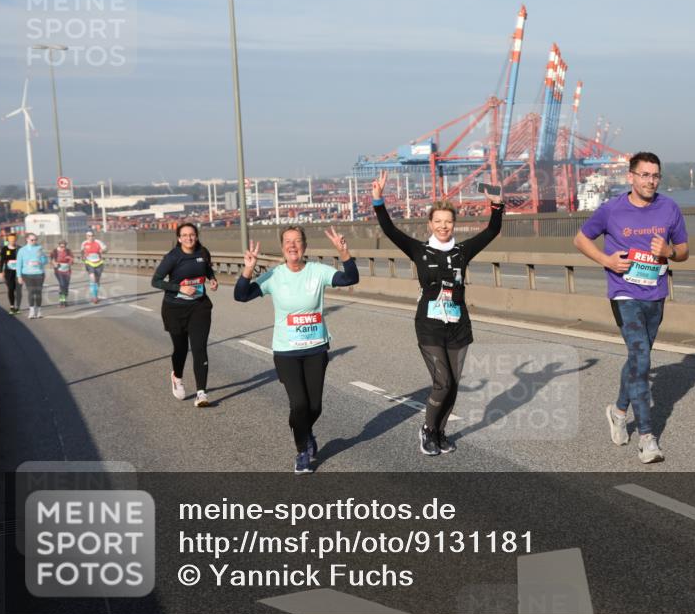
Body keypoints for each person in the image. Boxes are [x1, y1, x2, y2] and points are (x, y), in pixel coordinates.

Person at [371, 171, 504, 456]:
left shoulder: (462, 252)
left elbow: (492, 232)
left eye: (449, 221)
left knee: (453, 385)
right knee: (442, 381)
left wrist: (496, 205)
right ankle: (428, 430)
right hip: (429, 325)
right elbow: (390, 230)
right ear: (430, 224)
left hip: (458, 325)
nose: (444, 226)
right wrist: (378, 200)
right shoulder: (418, 250)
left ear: (454, 224)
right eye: (438, 222)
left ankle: (441, 432)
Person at [573, 152, 689, 464]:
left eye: (655, 176)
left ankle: (618, 411)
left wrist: (669, 251)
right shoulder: (611, 209)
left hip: (656, 294)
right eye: (644, 175)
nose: (651, 181)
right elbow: (581, 239)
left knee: (638, 358)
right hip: (624, 293)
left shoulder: (669, 208)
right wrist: (607, 261)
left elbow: (684, 251)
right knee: (641, 356)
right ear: (631, 177)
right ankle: (648, 438)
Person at [234, 226, 359, 474]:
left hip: (315, 348)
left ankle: (304, 429)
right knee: (299, 404)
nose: (293, 246)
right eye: (288, 242)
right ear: (282, 247)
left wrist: (343, 251)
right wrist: (248, 268)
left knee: (315, 408)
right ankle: (302, 451)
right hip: (286, 351)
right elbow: (241, 295)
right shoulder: (274, 276)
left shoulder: (317, 271)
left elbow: (350, 278)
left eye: (297, 241)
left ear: (304, 246)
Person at [151, 223, 218, 407]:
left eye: (192, 235)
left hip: (199, 307)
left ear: (196, 236)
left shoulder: (203, 252)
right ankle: (177, 376)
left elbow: (207, 269)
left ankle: (201, 394)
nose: (189, 238)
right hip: (175, 309)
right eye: (185, 235)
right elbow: (155, 281)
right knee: (181, 349)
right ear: (179, 238)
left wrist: (212, 279)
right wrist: (179, 287)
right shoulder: (173, 257)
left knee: (199, 348)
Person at [16, 233, 48, 319]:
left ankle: (39, 310)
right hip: (27, 274)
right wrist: (19, 276)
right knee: (31, 291)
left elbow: (45, 260)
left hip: (39, 273)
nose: (34, 241)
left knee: (38, 292)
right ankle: (32, 311)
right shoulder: (22, 250)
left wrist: (40, 261)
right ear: (27, 239)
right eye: (32, 240)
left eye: (35, 240)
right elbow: (19, 264)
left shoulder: (39, 248)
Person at [80, 230, 108, 304]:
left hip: (99, 263)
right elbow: (82, 251)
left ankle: (95, 294)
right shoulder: (84, 243)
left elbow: (106, 249)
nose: (90, 237)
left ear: (94, 236)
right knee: (93, 279)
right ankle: (94, 297)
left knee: (97, 281)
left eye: (92, 236)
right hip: (89, 263)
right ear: (86, 236)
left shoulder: (98, 242)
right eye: (89, 236)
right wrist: (83, 257)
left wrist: (103, 250)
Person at [0, 233, 22, 314]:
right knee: (11, 288)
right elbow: (2, 260)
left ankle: (17, 306)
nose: (12, 241)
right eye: (11, 240)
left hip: (18, 271)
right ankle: (12, 306)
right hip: (9, 271)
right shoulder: (5, 249)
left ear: (16, 240)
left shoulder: (19, 248)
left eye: (14, 240)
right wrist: (0, 271)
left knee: (18, 289)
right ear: (8, 240)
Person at [50, 240, 74, 307]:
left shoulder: (68, 251)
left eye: (64, 246)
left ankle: (65, 300)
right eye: (61, 246)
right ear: (59, 245)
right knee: (62, 285)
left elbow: (72, 261)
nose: (63, 248)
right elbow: (51, 259)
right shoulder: (55, 251)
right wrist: (55, 263)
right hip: (58, 271)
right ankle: (62, 301)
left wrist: (70, 260)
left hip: (67, 271)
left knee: (66, 286)